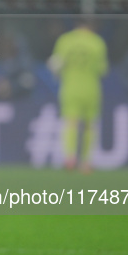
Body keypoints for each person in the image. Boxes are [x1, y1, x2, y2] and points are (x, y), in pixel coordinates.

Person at [47, 19, 108, 174]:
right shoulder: (97, 42)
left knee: (71, 123)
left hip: (70, 87)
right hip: (91, 88)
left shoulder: (66, 40)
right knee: (89, 125)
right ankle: (86, 161)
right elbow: (103, 69)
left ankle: (70, 158)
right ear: (92, 26)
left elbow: (55, 65)